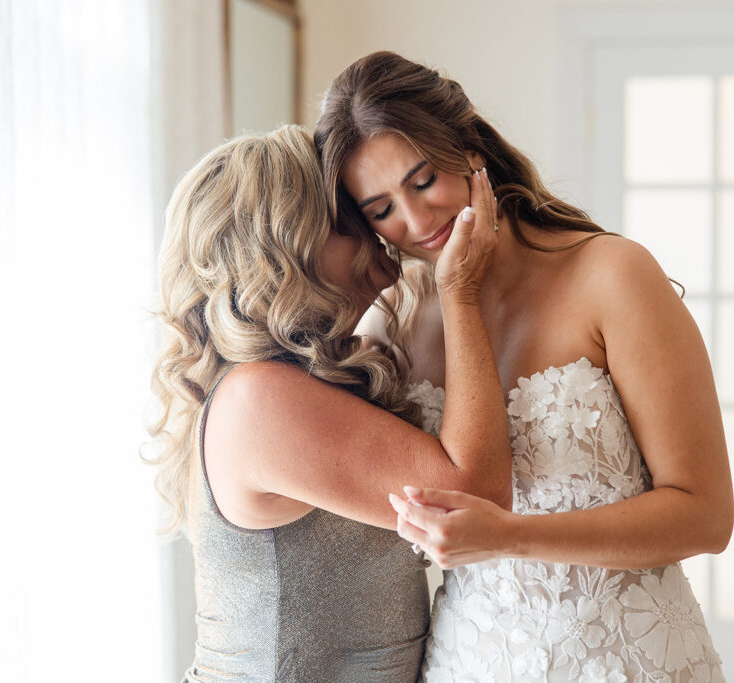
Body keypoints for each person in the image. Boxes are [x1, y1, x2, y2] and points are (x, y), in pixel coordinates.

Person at [316, 52, 733, 682]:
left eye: (423, 180)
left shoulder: (612, 276)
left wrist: (510, 535)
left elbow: (705, 515)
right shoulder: (394, 317)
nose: (417, 220)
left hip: (628, 657)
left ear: (470, 147)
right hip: (473, 657)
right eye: (381, 210)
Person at [146, 124, 512, 682]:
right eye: (347, 215)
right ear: (287, 250)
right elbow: (475, 499)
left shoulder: (318, 373)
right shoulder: (258, 400)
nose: (376, 225)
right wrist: (458, 290)